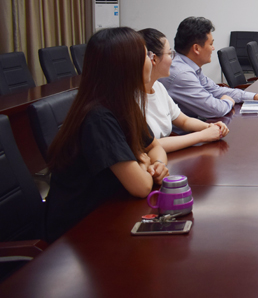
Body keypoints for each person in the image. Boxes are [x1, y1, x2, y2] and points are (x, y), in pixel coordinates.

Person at [45, 27, 169, 242]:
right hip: (76, 234)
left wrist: (156, 164)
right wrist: (142, 160)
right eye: (146, 55)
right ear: (126, 66)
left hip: (108, 211)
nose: (151, 60)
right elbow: (141, 187)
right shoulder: (98, 117)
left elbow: (155, 146)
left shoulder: (124, 103)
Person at [161, 17, 258, 119]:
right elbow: (214, 109)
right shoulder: (182, 74)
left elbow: (215, 90)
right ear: (196, 48)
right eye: (211, 44)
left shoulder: (190, 67)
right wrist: (227, 101)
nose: (213, 48)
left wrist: (254, 96)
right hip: (185, 134)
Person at [139, 28, 230, 152]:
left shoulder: (158, 87)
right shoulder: (130, 98)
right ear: (153, 59)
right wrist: (202, 135)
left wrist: (209, 126)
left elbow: (184, 121)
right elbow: (151, 145)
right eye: (170, 54)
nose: (173, 60)